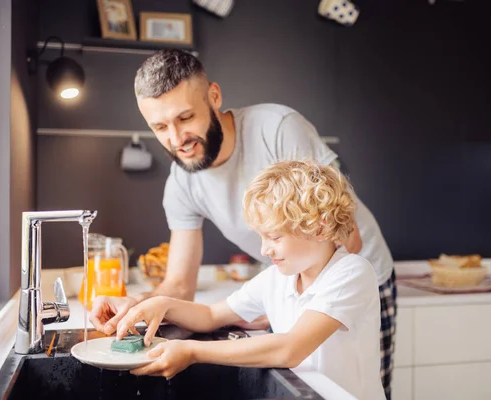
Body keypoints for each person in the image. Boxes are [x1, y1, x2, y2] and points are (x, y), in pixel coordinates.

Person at [90, 49, 397, 398]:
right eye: (160, 127)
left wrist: (196, 350)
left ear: (214, 97)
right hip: (295, 268)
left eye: (185, 117)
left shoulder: (277, 130)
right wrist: (143, 304)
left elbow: (348, 240)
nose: (175, 140)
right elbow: (181, 287)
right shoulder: (184, 184)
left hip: (354, 265)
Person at [116, 160, 386, 400]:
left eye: (275, 237)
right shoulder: (277, 278)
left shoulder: (351, 272)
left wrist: (192, 351)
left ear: (320, 227)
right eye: (261, 237)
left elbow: (290, 349)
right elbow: (211, 315)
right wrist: (163, 304)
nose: (264, 250)